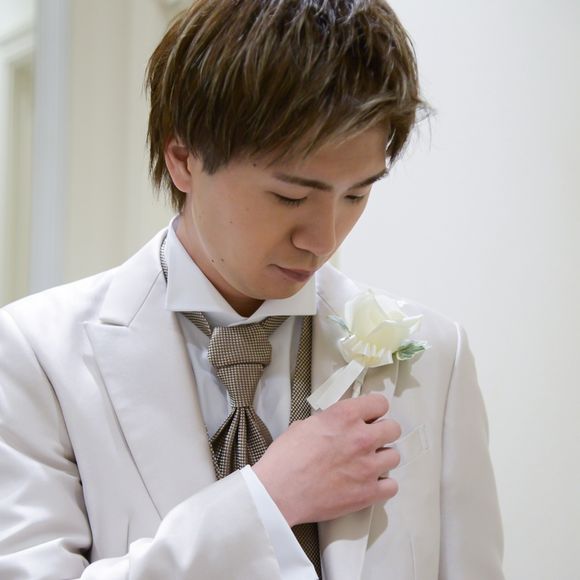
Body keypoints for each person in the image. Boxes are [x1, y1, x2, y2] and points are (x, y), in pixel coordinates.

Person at [0, 0, 504, 578]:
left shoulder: (436, 357)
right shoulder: (35, 356)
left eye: (356, 195)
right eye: (291, 197)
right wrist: (265, 502)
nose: (323, 239)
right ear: (183, 159)